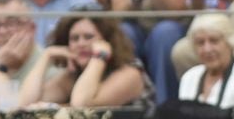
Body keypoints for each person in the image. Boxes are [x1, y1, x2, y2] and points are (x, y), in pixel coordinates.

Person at [17, 9, 148, 106]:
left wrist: (100, 57)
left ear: (107, 41)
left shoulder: (130, 73)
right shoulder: (72, 76)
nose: (81, 44)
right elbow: (24, 104)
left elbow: (82, 105)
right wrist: (46, 56)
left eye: (89, 37)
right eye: (74, 38)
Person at [174, 10, 234, 104]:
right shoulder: (189, 78)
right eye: (200, 43)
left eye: (214, 41)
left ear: (230, 42)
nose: (207, 49)